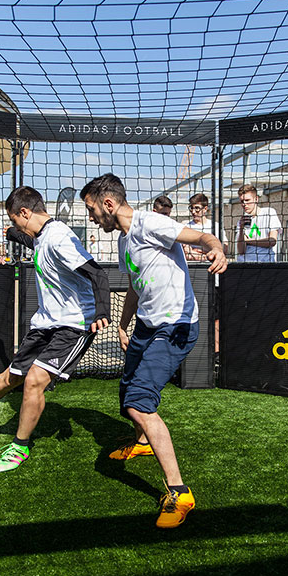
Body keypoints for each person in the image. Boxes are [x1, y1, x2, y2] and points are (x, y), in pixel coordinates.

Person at [81, 172, 227, 529]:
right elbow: (134, 287)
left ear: (109, 204)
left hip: (176, 325)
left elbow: (203, 236)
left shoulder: (151, 224)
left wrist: (217, 249)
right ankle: (143, 441)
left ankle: (180, 492)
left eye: (91, 210)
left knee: (139, 401)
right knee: (126, 389)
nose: (91, 217)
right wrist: (122, 324)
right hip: (146, 324)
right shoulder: (122, 242)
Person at [0, 186, 111, 472]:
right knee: (10, 377)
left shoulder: (60, 236)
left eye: (15, 220)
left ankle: (20, 446)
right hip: (46, 322)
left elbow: (97, 273)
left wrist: (102, 310)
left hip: (74, 324)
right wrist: (13, 234)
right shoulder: (42, 236)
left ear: (24, 213)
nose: (15, 225)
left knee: (35, 379)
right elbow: (37, 245)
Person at [235, 184, 282, 262]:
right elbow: (241, 251)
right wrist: (241, 229)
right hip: (245, 264)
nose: (244, 204)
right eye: (242, 201)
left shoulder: (269, 212)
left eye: (247, 200)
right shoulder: (242, 221)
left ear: (256, 199)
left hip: (265, 263)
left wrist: (248, 241)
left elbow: (272, 241)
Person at [183, 193, 227, 261]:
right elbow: (186, 253)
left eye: (197, 208)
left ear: (205, 209)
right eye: (191, 208)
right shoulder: (186, 227)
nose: (193, 212)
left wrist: (197, 251)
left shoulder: (215, 226)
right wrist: (209, 251)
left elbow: (224, 248)